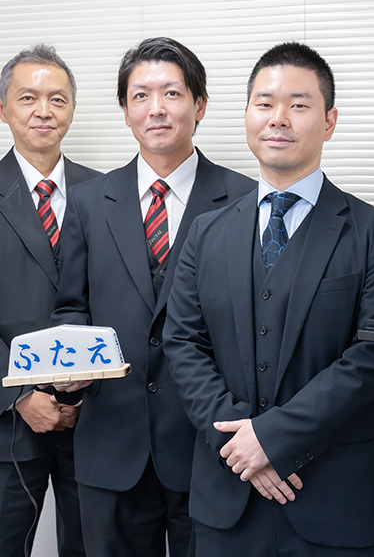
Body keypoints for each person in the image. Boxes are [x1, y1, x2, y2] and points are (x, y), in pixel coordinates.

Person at [164, 42, 374, 556]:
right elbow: (184, 344)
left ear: (329, 121)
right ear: (247, 116)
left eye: (298, 105)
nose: (279, 118)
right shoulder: (206, 233)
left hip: (338, 503)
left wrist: (273, 441)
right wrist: (240, 446)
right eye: (264, 103)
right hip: (228, 497)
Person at [50, 37, 256, 557]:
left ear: (200, 105)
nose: (156, 108)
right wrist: (70, 367)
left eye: (172, 93)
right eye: (140, 95)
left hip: (210, 447)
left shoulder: (245, 200)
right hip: (111, 443)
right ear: (125, 111)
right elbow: (71, 306)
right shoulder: (89, 202)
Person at [0, 45, 101, 556]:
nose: (44, 110)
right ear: (3, 109)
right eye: (28, 98)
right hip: (8, 425)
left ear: (72, 109)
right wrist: (19, 394)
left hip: (96, 423)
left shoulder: (104, 193)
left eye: (57, 99)